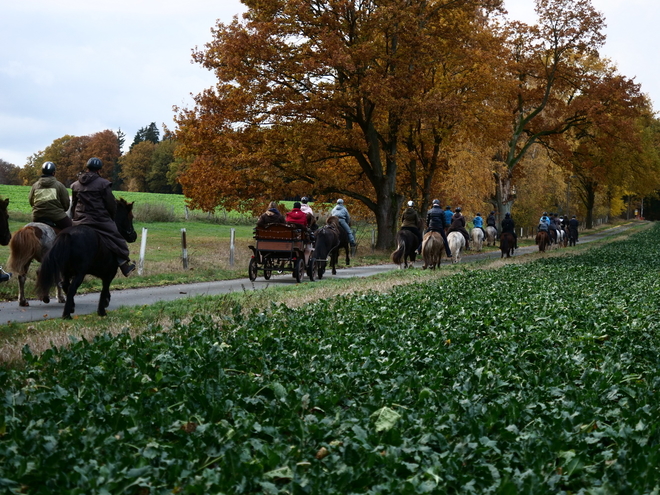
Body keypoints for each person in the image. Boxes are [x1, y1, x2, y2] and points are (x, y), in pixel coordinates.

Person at [70, 157, 135, 277]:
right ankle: (124, 264)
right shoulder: (104, 184)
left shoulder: (75, 185)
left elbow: (73, 204)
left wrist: (74, 218)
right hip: (98, 220)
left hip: (79, 221)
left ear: (87, 168)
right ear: (99, 170)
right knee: (117, 238)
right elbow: (111, 204)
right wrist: (110, 217)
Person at [29, 161, 73, 230]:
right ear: (54, 173)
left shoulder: (35, 186)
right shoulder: (60, 185)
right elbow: (66, 204)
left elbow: (31, 202)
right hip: (57, 216)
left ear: (43, 172)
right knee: (71, 230)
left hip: (38, 215)